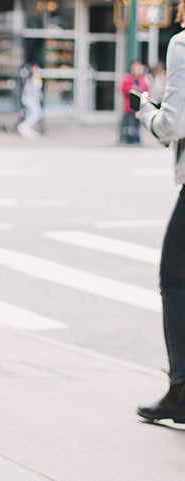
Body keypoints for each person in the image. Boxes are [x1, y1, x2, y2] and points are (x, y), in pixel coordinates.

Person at [138, 2, 185, 424]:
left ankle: (181, 392)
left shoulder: (183, 44)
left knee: (174, 279)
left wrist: (146, 111)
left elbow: (172, 124)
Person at [121, 60, 150, 145]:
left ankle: (137, 139)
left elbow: (146, 90)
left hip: (140, 106)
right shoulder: (128, 78)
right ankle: (130, 139)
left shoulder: (143, 79)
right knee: (131, 124)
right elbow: (123, 89)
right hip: (130, 106)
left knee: (138, 124)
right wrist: (132, 88)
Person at [16, 64, 43, 140]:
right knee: (36, 113)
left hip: (31, 99)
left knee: (30, 114)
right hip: (29, 99)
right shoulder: (31, 78)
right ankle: (24, 126)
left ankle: (28, 129)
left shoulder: (36, 78)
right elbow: (34, 91)